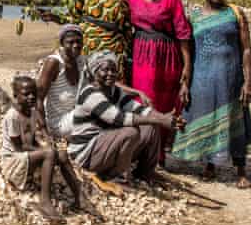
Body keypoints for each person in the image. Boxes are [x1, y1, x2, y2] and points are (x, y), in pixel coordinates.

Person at [171, 0, 251, 187]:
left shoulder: (235, 13)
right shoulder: (195, 17)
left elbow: (246, 49)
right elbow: (188, 53)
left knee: (235, 120)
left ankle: (241, 169)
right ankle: (209, 165)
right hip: (202, 79)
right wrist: (185, 82)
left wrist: (248, 81)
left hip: (230, 78)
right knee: (206, 118)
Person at [68, 51, 182, 196]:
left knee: (150, 126)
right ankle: (118, 178)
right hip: (86, 154)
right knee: (130, 132)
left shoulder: (114, 91)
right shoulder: (90, 94)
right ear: (95, 71)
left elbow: (139, 109)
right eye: (105, 70)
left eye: (113, 70)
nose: (110, 74)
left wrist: (166, 118)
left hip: (104, 145)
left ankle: (145, 172)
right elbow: (119, 118)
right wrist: (161, 120)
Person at [128, 0, 192, 159]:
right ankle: (142, 151)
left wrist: (187, 67)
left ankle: (159, 154)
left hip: (166, 56)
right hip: (141, 55)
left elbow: (183, 34)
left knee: (164, 103)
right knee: (143, 100)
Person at [1, 76, 86, 221]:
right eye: (26, 94)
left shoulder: (33, 113)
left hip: (26, 157)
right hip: (13, 162)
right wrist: (46, 149)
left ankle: (79, 197)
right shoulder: (12, 116)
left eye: (33, 93)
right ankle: (45, 202)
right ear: (16, 95)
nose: (31, 97)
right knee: (50, 152)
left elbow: (31, 139)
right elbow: (19, 146)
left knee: (61, 151)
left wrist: (51, 145)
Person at [40, 0, 132, 79]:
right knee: (93, 80)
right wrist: (55, 18)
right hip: (91, 45)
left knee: (114, 82)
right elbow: (74, 18)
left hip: (116, 47)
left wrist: (129, 47)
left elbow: (127, 22)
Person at [36, 24, 87, 140]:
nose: (76, 45)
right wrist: (44, 130)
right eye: (70, 42)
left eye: (79, 42)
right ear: (62, 44)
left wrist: (134, 91)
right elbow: (38, 98)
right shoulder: (54, 63)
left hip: (74, 115)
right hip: (57, 123)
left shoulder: (81, 60)